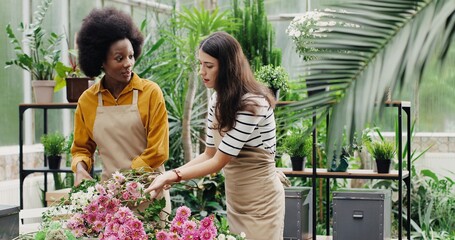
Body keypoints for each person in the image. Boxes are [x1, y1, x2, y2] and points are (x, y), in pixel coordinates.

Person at [145, 31, 288, 239]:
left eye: (209, 66)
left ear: (228, 67)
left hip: (262, 203)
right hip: (237, 199)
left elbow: (219, 161)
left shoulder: (253, 104)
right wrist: (171, 175)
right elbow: (209, 154)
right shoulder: (217, 99)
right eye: (200, 64)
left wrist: (173, 176)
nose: (202, 71)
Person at [70, 7, 170, 211]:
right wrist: (80, 169)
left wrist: (127, 179)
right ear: (100, 61)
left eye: (131, 56)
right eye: (119, 58)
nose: (128, 64)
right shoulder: (87, 101)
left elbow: (158, 151)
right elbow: (82, 148)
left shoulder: (150, 93)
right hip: (111, 200)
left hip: (150, 194)